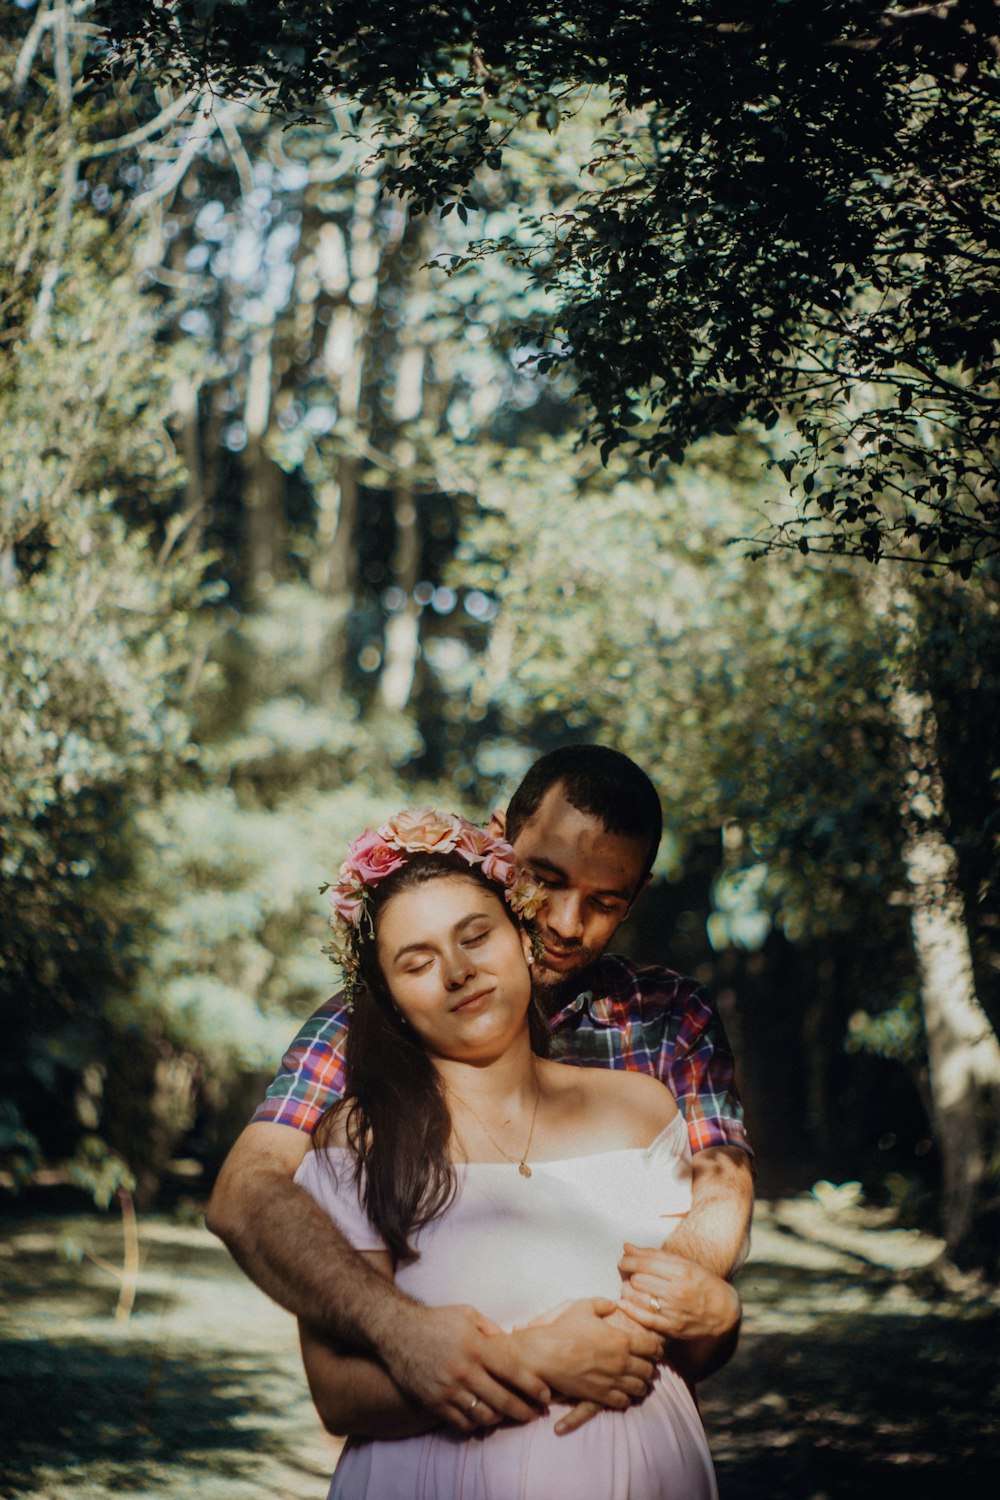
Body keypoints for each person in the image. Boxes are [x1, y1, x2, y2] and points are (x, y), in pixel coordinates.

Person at [207, 746, 753, 1430]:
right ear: (499, 838)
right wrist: (402, 1331)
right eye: (545, 878)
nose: (564, 922)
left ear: (636, 894)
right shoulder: (365, 1024)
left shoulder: (669, 1016)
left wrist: (661, 1311)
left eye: (604, 902)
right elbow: (245, 1191)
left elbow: (722, 1182)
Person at [294, 809, 730, 1497]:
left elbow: (688, 1345)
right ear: (390, 998)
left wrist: (721, 1321)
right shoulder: (357, 1140)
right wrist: (532, 1361)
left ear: (522, 938)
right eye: (418, 961)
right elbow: (339, 1394)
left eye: (476, 936)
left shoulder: (642, 1110)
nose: (459, 972)